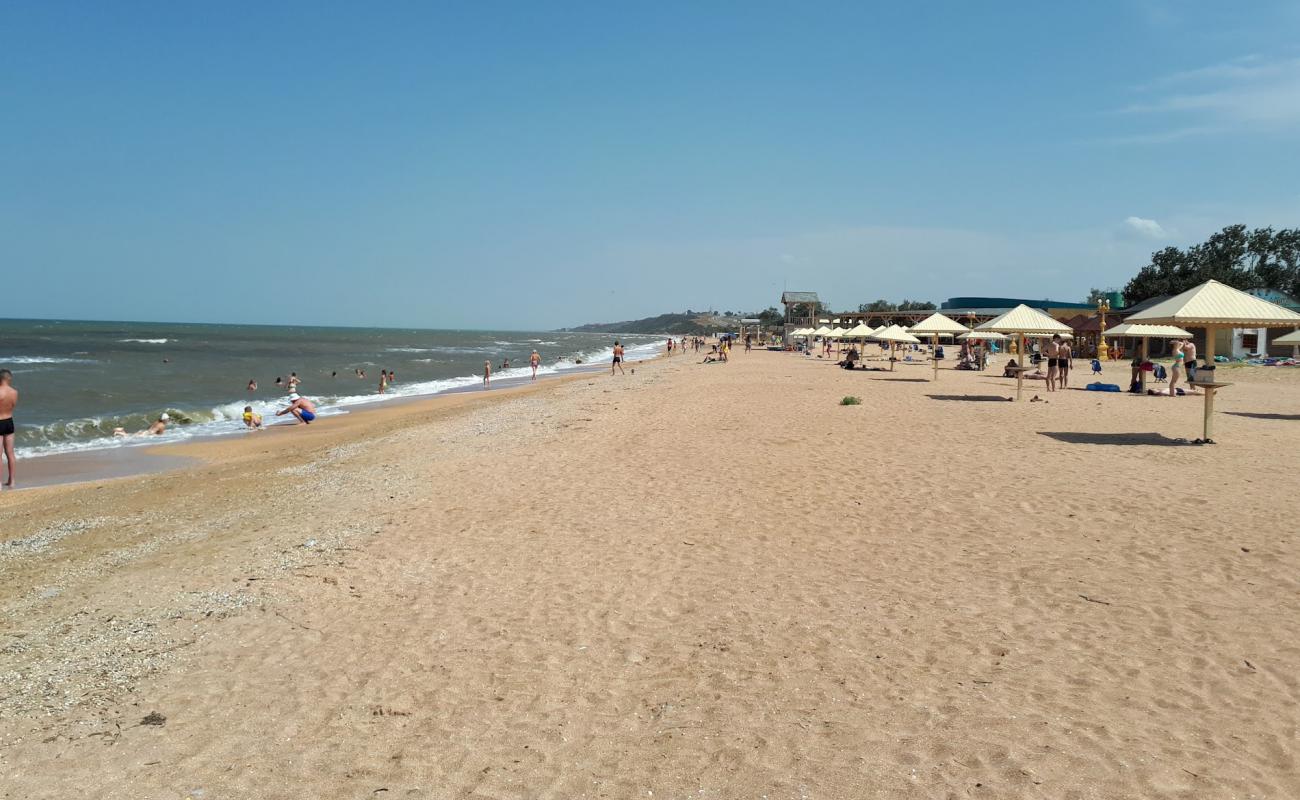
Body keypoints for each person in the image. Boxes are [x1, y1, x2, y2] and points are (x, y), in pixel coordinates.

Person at [0, 370, 16, 488]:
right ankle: (12, 481)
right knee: (10, 453)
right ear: (9, 379)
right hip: (9, 422)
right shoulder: (14, 392)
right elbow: (12, 405)